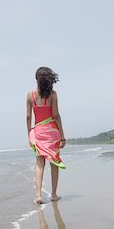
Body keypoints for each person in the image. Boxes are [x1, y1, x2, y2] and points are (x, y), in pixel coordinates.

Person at [27, 66, 66, 205]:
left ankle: (38, 195)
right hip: (52, 132)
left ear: (36, 79)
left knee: (39, 164)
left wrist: (29, 136)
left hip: (38, 132)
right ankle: (54, 194)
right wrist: (62, 136)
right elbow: (56, 115)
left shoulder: (30, 95)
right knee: (54, 162)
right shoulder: (53, 94)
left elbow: (28, 117)